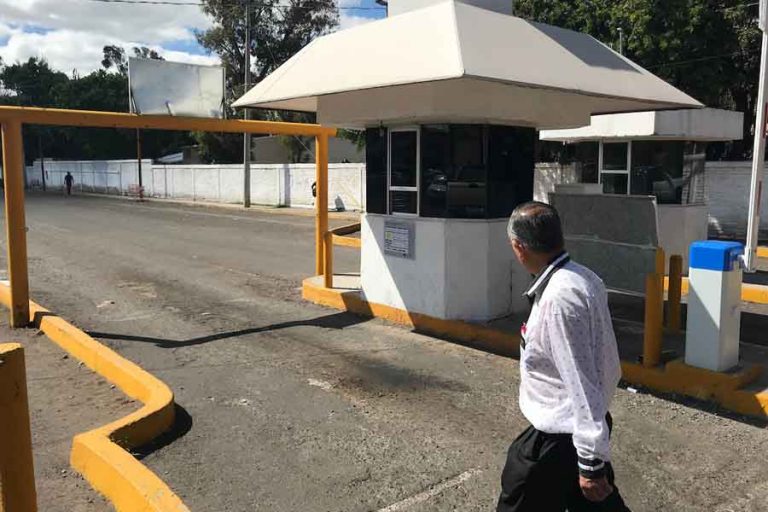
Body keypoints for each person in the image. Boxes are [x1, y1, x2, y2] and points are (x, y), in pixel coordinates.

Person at [497, 201, 630, 512]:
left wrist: (590, 463)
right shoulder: (583, 278)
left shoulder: (559, 300)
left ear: (519, 247)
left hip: (559, 439)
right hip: (578, 431)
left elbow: (581, 381)